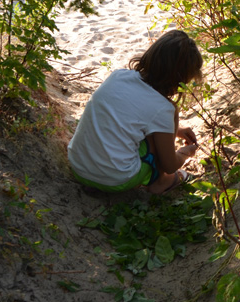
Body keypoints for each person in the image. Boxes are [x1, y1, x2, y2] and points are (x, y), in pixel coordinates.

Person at [67, 30, 203, 194]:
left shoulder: (118, 76)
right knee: (169, 115)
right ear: (180, 80)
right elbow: (170, 165)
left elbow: (124, 117)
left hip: (77, 165)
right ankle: (161, 181)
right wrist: (184, 153)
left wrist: (177, 131)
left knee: (148, 125)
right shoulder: (164, 108)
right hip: (115, 179)